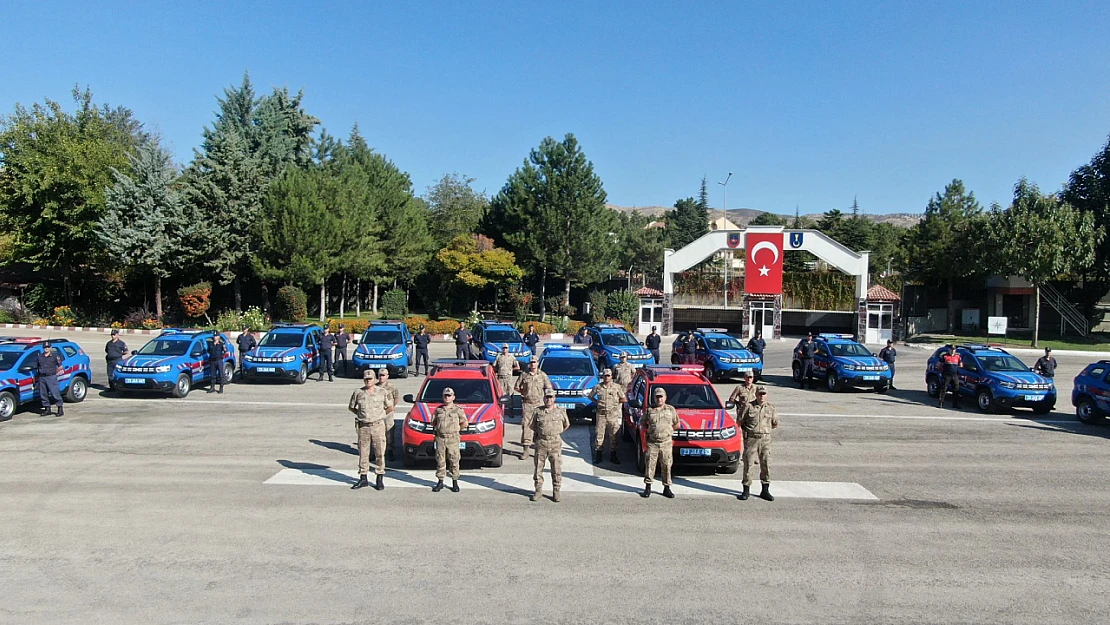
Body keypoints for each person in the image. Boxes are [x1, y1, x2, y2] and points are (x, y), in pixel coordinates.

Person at [348, 370, 392, 491]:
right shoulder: (358, 392)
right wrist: (362, 415)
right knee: (363, 452)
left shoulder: (382, 392)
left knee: (379, 452)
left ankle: (379, 478)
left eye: (370, 379)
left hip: (378, 425)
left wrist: (379, 416)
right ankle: (363, 478)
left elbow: (390, 407)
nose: (368, 381)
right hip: (363, 427)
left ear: (374, 379)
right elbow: (351, 407)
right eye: (366, 379)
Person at [738, 386, 780, 501]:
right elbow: (739, 421)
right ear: (756, 395)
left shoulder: (771, 408)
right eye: (760, 394)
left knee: (766, 464)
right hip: (751, 439)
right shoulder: (748, 407)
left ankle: (765, 490)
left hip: (765, 439)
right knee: (748, 464)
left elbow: (775, 423)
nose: (762, 396)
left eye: (764, 394)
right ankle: (746, 490)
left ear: (767, 395)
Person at [530, 388, 571, 502]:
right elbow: (532, 426)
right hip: (541, 443)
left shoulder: (560, 411)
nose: (548, 400)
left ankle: (556, 491)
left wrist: (555, 433)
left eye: (551, 397)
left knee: (556, 469)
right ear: (544, 398)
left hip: (555, 443)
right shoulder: (537, 411)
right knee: (538, 468)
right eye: (547, 397)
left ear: (554, 399)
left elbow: (566, 425)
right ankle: (538, 491)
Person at [639, 387, 680, 499]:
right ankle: (648, 487)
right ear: (654, 398)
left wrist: (669, 431)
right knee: (650, 465)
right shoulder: (649, 410)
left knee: (667, 465)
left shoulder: (670, 409)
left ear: (665, 398)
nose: (659, 399)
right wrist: (650, 430)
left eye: (661, 397)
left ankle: (667, 488)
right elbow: (642, 423)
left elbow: (677, 424)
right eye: (657, 397)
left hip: (666, 443)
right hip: (653, 443)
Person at [431, 386, 468, 493]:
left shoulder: (458, 410)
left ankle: (455, 482)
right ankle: (440, 481)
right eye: (445, 396)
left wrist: (456, 429)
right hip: (440, 438)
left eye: (449, 396)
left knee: (454, 460)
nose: (447, 398)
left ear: (453, 397)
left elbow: (465, 423)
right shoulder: (439, 410)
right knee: (440, 460)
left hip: (453, 439)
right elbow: (433, 422)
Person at [515, 357, 553, 460]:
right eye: (531, 362)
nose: (533, 364)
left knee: (541, 427)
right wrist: (524, 393)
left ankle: (539, 450)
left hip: (539, 404)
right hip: (527, 404)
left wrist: (548, 402)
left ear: (537, 363)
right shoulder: (524, 374)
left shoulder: (542, 375)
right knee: (526, 427)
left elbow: (549, 388)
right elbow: (517, 387)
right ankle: (526, 450)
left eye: (534, 362)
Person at [589, 368, 626, 464]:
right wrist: (597, 402)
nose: (606, 377)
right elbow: (590, 396)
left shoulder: (616, 387)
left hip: (612, 415)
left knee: (613, 435)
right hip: (601, 415)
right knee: (599, 435)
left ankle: (613, 456)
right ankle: (598, 455)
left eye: (608, 375)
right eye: (605, 376)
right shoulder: (598, 387)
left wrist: (615, 404)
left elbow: (623, 399)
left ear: (611, 376)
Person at [33, 342, 65, 416]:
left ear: (51, 348)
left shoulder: (55, 356)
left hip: (51, 377)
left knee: (55, 393)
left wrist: (54, 372)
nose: (46, 348)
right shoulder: (40, 357)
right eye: (45, 347)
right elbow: (37, 366)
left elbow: (60, 367)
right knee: (43, 394)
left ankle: (60, 409)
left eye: (48, 347)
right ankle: (47, 409)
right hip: (42, 377)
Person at [376, 368, 400, 461]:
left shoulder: (392, 387)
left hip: (388, 413)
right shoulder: (375, 387)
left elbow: (396, 398)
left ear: (387, 376)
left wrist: (392, 407)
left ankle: (390, 450)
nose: (381, 377)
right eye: (380, 375)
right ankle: (376, 452)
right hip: (378, 413)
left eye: (383, 375)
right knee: (377, 433)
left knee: (389, 432)